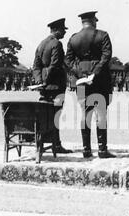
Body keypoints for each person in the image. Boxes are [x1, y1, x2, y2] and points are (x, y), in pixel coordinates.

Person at [66, 11, 116, 159]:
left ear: (82, 22)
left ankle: (86, 149)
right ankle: (102, 149)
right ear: (94, 21)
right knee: (101, 114)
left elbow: (68, 61)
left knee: (85, 113)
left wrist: (80, 73)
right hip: (100, 80)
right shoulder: (103, 35)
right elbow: (106, 56)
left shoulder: (74, 38)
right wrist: (95, 72)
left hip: (81, 82)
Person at [32, 17, 73, 154]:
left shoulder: (41, 44)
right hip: (56, 86)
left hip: (44, 87)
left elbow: (36, 66)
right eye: (63, 30)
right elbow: (55, 65)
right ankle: (56, 144)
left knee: (45, 115)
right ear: (57, 30)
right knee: (56, 115)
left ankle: (44, 142)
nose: (64, 33)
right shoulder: (57, 44)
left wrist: (39, 81)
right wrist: (47, 80)